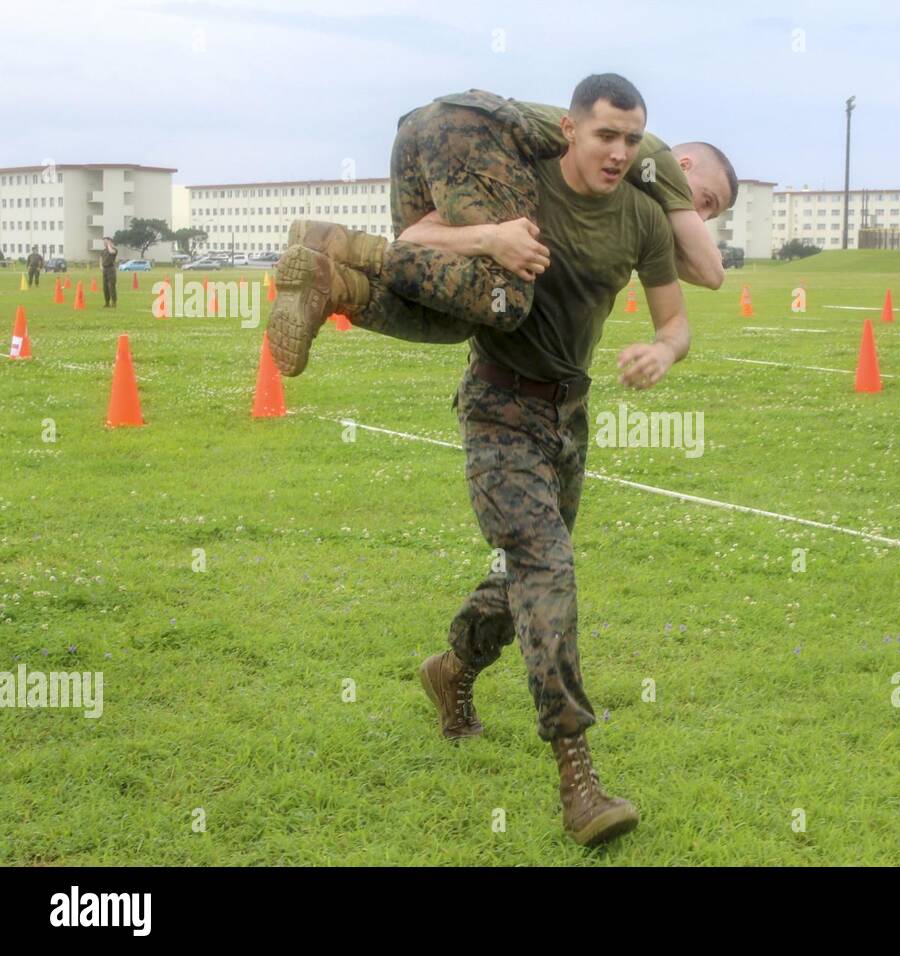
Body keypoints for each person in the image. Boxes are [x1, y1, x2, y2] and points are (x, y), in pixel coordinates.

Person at [274, 74, 692, 847]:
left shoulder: (640, 217)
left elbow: (677, 321)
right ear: (569, 129)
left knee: (521, 578)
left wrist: (662, 353)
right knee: (546, 566)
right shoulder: (514, 184)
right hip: (499, 407)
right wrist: (491, 239)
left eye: (632, 140)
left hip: (569, 414)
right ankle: (578, 775)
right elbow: (418, 241)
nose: (618, 151)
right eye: (605, 134)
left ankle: (453, 671)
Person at [266, 84, 736, 376]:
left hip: (424, 131)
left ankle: (335, 281)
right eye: (707, 202)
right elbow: (711, 272)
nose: (701, 217)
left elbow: (419, 239)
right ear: (686, 165)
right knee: (507, 297)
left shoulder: (620, 182)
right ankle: (345, 247)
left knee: (457, 309)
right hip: (471, 127)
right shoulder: (659, 161)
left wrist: (484, 239)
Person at [100, 238, 118, 308]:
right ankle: (107, 302)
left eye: (106, 242)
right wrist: (101, 266)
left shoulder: (114, 249)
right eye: (104, 242)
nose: (104, 243)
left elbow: (111, 252)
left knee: (111, 286)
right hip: (105, 269)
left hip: (111, 269)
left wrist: (109, 245)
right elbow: (100, 258)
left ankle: (114, 302)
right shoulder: (103, 251)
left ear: (110, 242)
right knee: (105, 287)